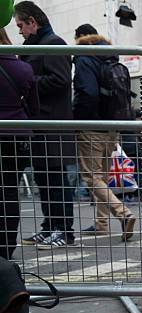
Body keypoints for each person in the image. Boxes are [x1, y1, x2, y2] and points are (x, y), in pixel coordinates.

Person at [14, 1, 75, 249]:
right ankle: (49, 226)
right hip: (41, 124)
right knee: (44, 178)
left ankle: (64, 230)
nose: (19, 31)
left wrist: (27, 80)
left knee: (56, 180)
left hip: (53, 124)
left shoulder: (54, 43)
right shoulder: (37, 44)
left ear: (32, 22)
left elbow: (60, 80)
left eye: (21, 25)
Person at [72, 25, 136, 240]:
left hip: (92, 126)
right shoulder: (110, 55)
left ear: (80, 38)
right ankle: (101, 224)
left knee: (92, 178)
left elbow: (87, 93)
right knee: (104, 177)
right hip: (113, 126)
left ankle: (123, 213)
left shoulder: (84, 57)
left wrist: (77, 117)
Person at [0, 27, 39, 260]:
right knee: (9, 192)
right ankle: (6, 247)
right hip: (15, 136)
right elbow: (34, 108)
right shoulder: (23, 68)